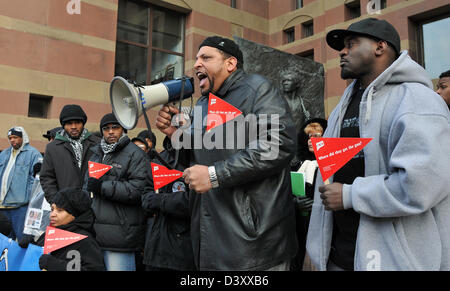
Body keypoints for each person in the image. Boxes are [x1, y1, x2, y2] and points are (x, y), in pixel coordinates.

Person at [306, 18, 450, 271]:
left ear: (380, 47)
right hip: (338, 257)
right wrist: (317, 247)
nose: (342, 51)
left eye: (351, 44)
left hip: (394, 261)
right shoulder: (344, 104)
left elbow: (420, 186)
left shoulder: (417, 100)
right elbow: (329, 175)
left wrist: (351, 195)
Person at [156, 36, 298, 270]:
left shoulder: (258, 89)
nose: (196, 64)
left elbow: (278, 144)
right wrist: (175, 136)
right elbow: (199, 157)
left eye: (206, 58)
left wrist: (214, 175)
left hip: (254, 244)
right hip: (209, 239)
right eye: (196, 59)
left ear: (230, 64)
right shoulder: (203, 104)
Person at [86, 113, 153, 271]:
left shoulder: (136, 154)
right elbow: (86, 187)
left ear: (123, 129)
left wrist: (102, 186)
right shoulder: (96, 153)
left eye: (115, 127)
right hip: (94, 234)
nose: (110, 132)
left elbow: (138, 190)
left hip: (120, 237)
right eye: (106, 128)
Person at [21, 187, 105, 271]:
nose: (52, 215)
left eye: (60, 210)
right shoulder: (50, 233)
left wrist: (57, 266)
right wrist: (30, 246)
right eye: (52, 209)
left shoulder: (85, 241)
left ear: (74, 214)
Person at [141, 149, 194, 271]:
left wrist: (161, 201)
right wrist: (151, 201)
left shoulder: (199, 156)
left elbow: (198, 202)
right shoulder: (161, 157)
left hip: (185, 252)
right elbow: (145, 194)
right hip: (155, 249)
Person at [40, 105, 100, 203]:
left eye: (77, 122)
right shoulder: (52, 147)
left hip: (93, 205)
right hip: (65, 207)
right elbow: (47, 178)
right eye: (69, 123)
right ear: (63, 125)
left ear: (83, 123)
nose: (73, 127)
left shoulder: (98, 144)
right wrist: (56, 202)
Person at [290, 117, 327, 271]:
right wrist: (294, 202)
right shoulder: (296, 165)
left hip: (322, 228)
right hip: (298, 229)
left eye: (316, 136)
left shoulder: (330, 166)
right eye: (309, 137)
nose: (311, 140)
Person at [0, 127, 42, 241]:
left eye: (15, 137)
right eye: (10, 138)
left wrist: (27, 197)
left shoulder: (33, 154)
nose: (12, 140)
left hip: (20, 207)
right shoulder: (4, 154)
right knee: (4, 241)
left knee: (23, 241)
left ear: (23, 137)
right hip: (2, 206)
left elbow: (36, 179)